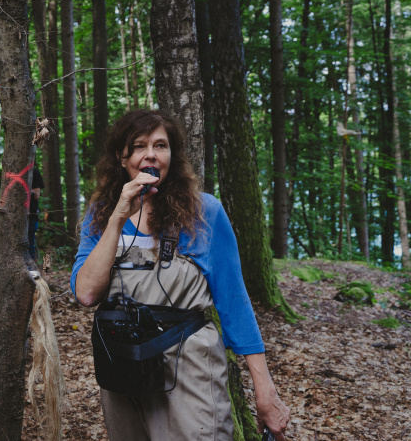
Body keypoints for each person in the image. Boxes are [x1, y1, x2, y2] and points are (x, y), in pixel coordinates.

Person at [72, 109, 290, 441]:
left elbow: (234, 303)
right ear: (121, 156)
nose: (150, 154)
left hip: (190, 372)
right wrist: (117, 217)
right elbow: (86, 293)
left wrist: (265, 391)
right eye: (139, 145)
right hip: (122, 371)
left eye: (161, 145)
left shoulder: (204, 213)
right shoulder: (101, 215)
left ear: (171, 155)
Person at [28, 166, 45, 260]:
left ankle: (30, 269)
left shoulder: (34, 172)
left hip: (31, 215)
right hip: (15, 216)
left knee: (30, 244)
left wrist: (20, 192)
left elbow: (36, 194)